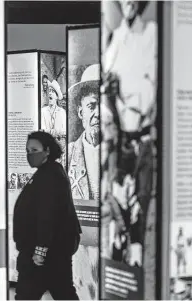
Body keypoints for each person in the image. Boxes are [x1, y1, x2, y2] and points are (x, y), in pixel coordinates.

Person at [103, 0, 157, 249]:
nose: (130, 2)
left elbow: (148, 96)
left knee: (139, 223)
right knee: (117, 216)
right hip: (120, 141)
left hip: (142, 140)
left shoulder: (150, 34)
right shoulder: (115, 39)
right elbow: (106, 93)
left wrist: (125, 98)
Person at [13, 131, 81, 300]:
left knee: (30, 294)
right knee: (62, 292)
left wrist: (40, 250)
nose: (30, 155)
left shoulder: (50, 175)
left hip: (45, 253)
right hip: (49, 251)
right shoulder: (48, 172)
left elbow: (47, 214)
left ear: (48, 150)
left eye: (34, 150)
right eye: (28, 151)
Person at [68, 64, 100, 201]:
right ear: (81, 112)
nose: (98, 114)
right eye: (91, 106)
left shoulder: (122, 154)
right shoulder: (68, 155)